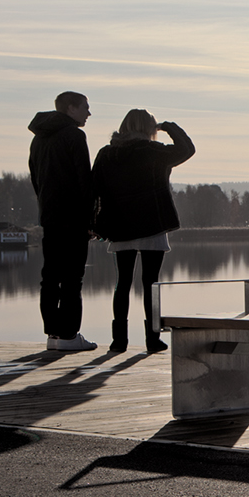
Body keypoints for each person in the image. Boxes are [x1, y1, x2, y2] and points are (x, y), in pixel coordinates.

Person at [91, 110, 195, 354]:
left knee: (122, 283)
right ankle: (152, 338)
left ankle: (119, 340)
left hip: (120, 226)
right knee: (151, 284)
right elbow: (186, 150)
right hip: (152, 224)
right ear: (151, 127)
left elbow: (93, 190)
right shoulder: (153, 152)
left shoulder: (107, 154)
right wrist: (170, 126)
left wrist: (94, 224)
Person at [27, 91, 97, 352]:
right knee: (72, 278)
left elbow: (36, 179)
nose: (89, 113)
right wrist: (91, 219)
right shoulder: (74, 136)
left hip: (50, 217)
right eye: (85, 108)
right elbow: (84, 181)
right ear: (71, 108)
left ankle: (53, 334)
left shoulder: (39, 140)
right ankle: (69, 335)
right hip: (73, 218)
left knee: (50, 276)